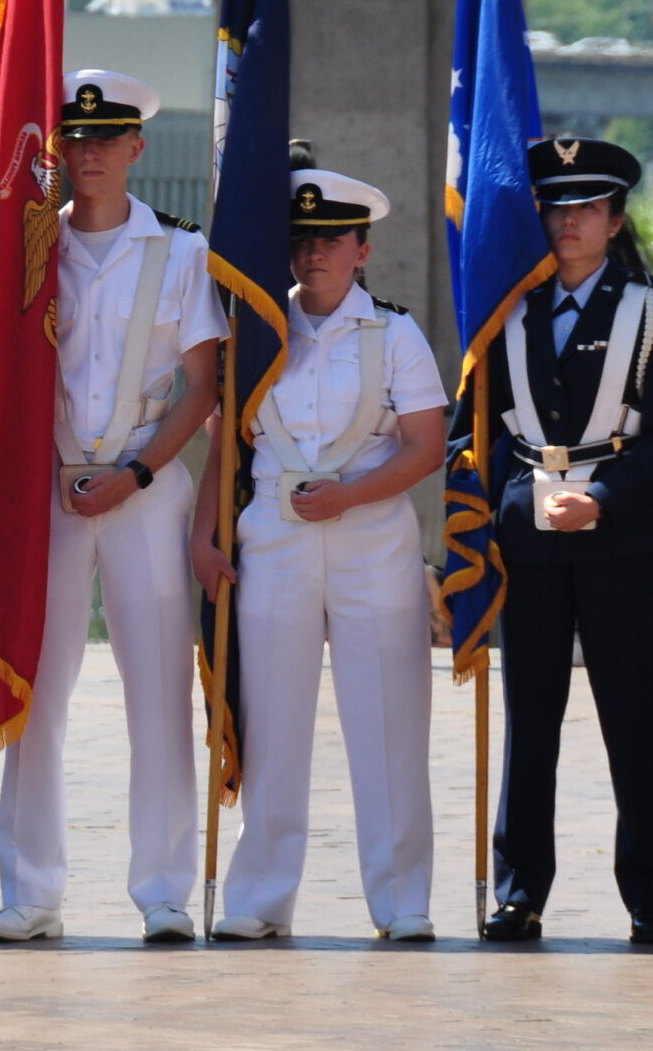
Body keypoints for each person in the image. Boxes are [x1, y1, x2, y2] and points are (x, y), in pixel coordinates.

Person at [0, 70, 228, 943]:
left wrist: (139, 474)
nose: (87, 154)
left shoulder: (182, 253)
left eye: (105, 139)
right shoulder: (27, 246)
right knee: (33, 690)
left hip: (145, 491)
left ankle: (165, 891)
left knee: (156, 692)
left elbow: (204, 387)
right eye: (73, 140)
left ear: (136, 148)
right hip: (46, 488)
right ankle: (30, 889)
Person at [195, 169, 446, 941]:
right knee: (270, 719)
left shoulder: (395, 332)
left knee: (389, 722)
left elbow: (427, 445)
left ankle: (402, 901)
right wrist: (204, 534)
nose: (314, 255)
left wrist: (351, 495)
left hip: (370, 537)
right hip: (274, 532)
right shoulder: (258, 326)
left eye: (332, 240)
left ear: (362, 249)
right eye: (302, 240)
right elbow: (223, 439)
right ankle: (260, 898)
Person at [463, 134, 653, 944]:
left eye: (588, 206)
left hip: (616, 538)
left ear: (616, 217)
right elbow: (475, 429)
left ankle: (648, 898)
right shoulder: (504, 308)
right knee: (531, 723)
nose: (569, 220)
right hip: (528, 539)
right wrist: (501, 511)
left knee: (628, 721)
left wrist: (607, 498)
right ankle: (520, 890)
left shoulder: (649, 310)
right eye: (557, 204)